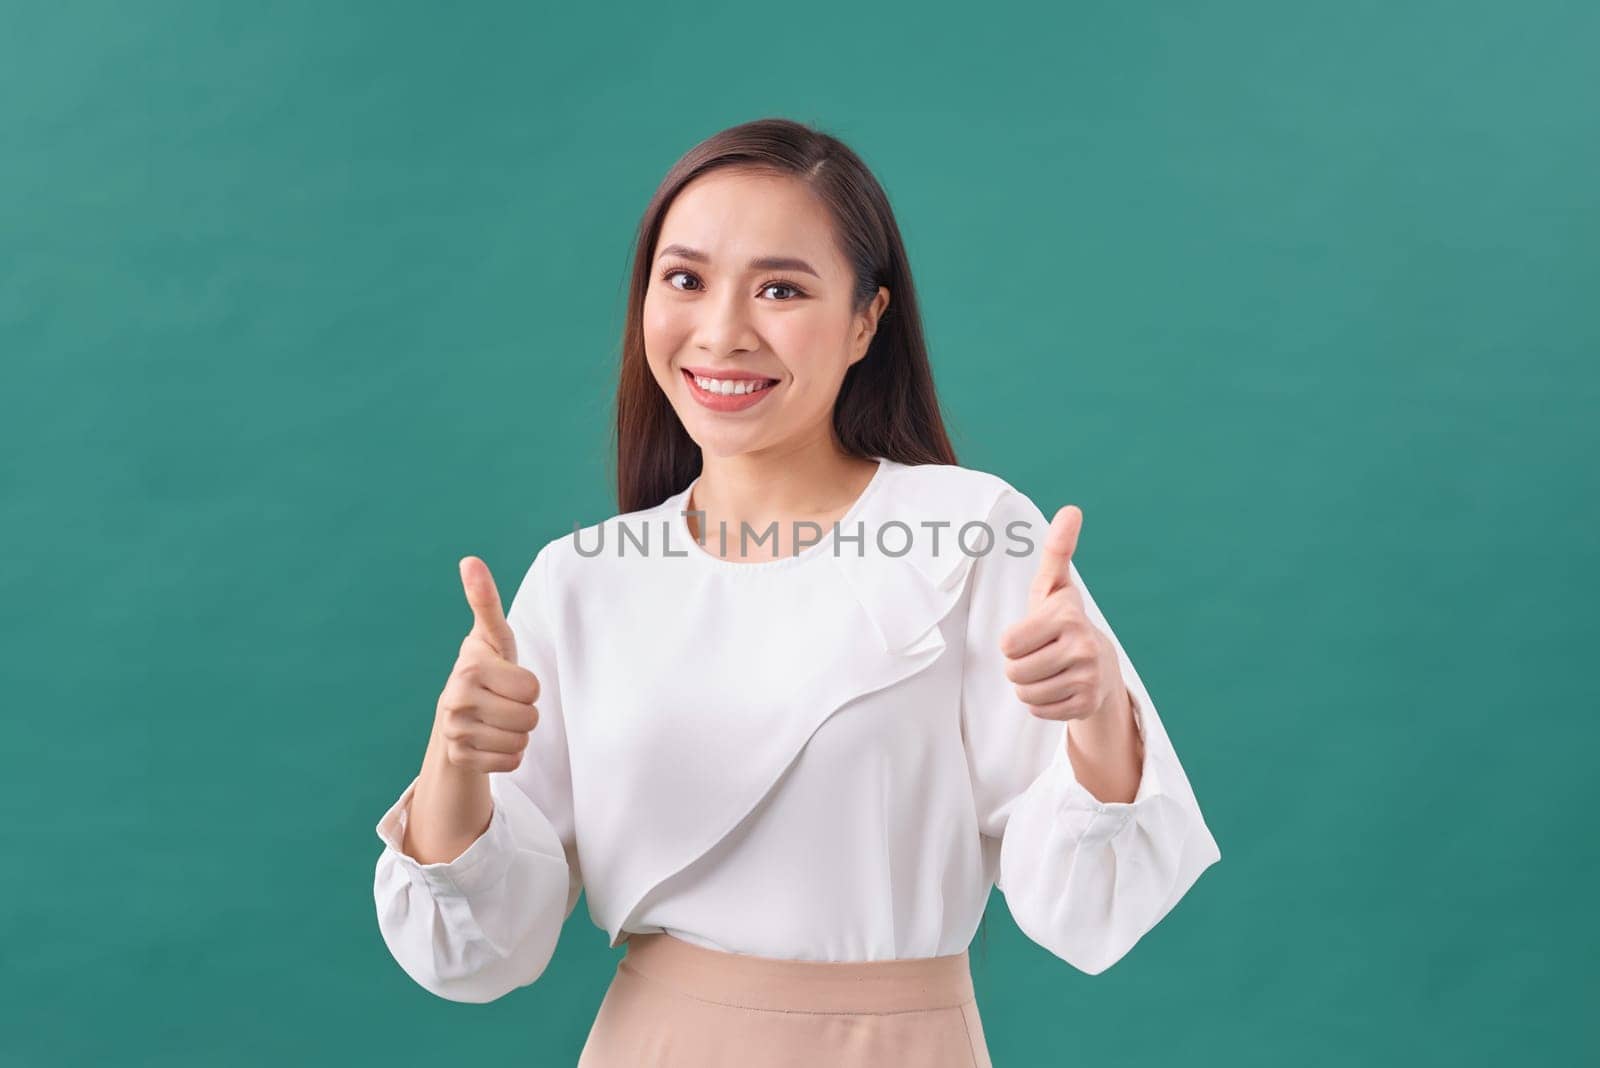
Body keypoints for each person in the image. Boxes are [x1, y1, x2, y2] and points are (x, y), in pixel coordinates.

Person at [372, 117, 1222, 1067]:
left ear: (867, 321)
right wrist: (456, 764)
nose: (724, 331)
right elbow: (482, 954)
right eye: (685, 279)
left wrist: (1096, 715)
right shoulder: (583, 579)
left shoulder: (969, 534)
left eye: (780, 288)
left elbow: (1087, 907)